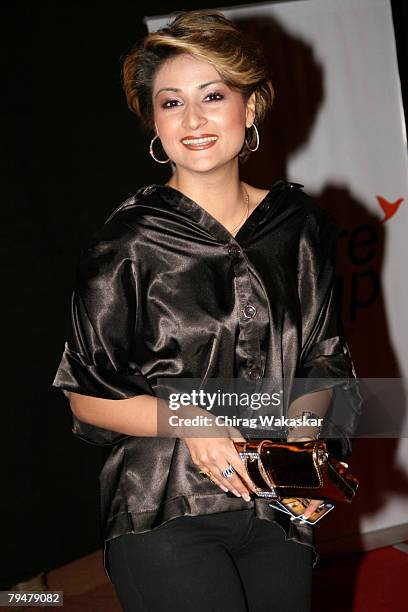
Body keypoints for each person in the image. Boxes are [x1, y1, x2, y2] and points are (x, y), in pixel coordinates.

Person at [52, 9, 361, 612]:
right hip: (166, 506)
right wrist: (190, 419)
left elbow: (323, 359)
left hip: (277, 509)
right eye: (170, 103)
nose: (192, 120)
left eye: (212, 95)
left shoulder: (302, 227)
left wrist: (301, 435)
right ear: (154, 125)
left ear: (250, 108)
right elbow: (84, 395)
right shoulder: (125, 242)